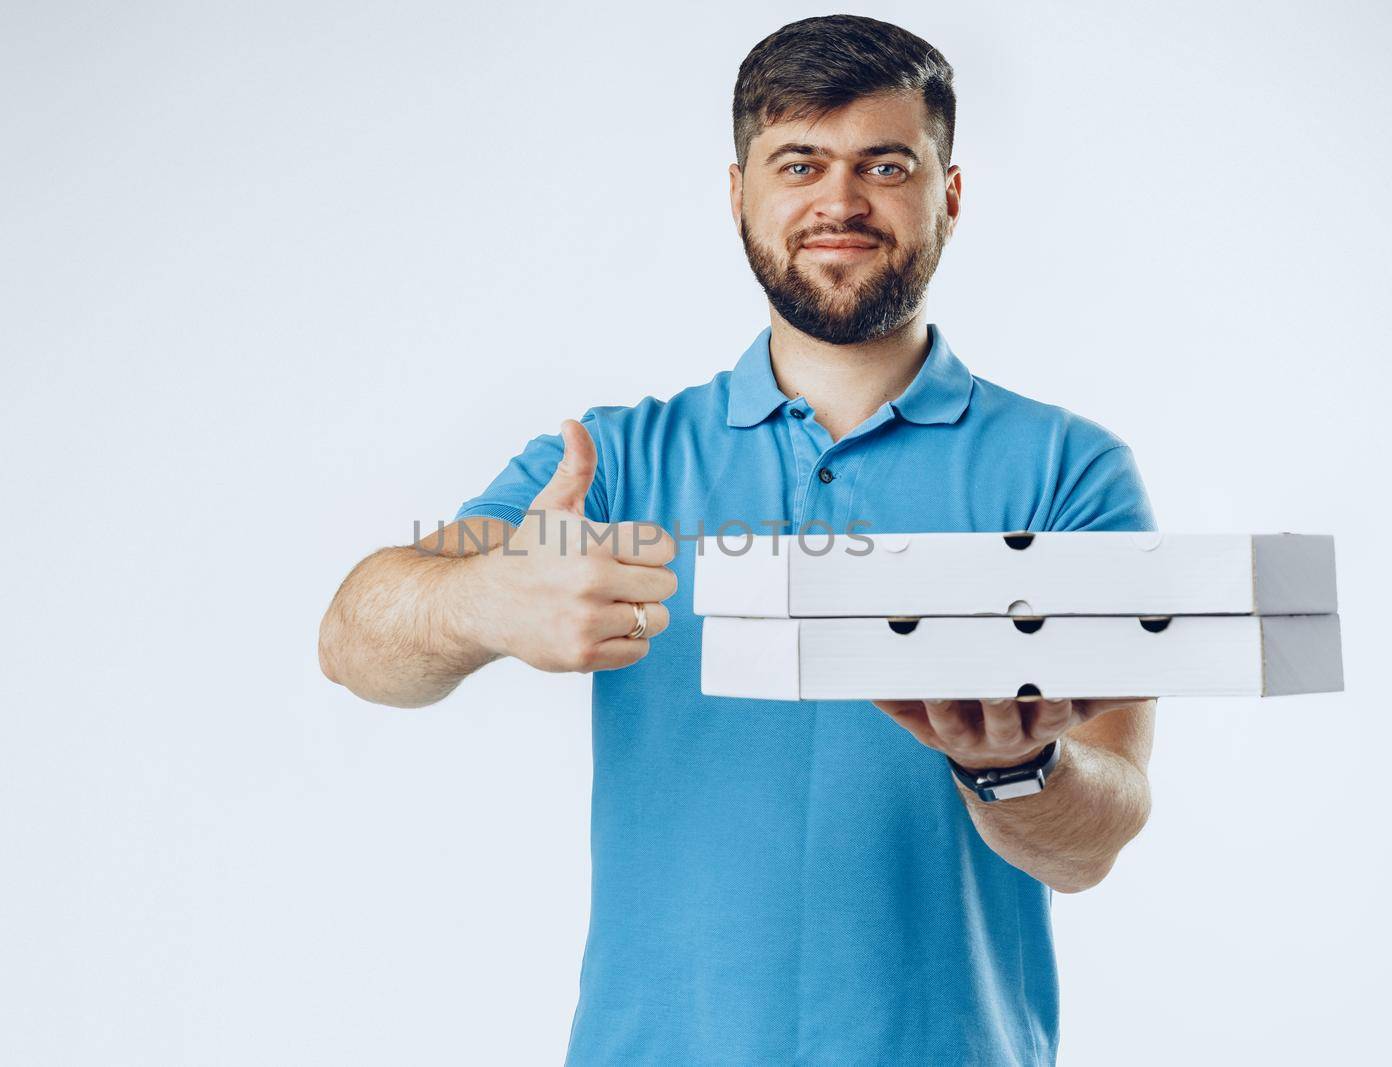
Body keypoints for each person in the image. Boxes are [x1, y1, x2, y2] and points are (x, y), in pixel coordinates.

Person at [320, 14, 1155, 1065]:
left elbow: (1097, 838)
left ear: (948, 194)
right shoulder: (611, 461)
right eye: (798, 162)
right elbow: (352, 641)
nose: (839, 201)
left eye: (884, 164)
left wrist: (1016, 767)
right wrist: (473, 599)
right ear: (738, 196)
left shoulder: (1067, 471)